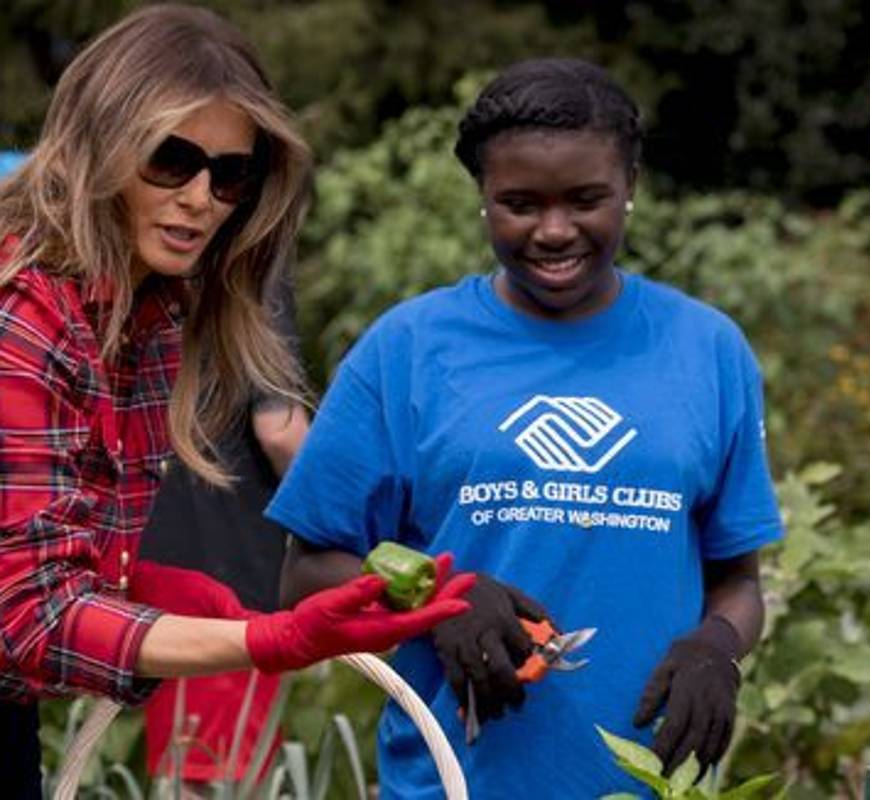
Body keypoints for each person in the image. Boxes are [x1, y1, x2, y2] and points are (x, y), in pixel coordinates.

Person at [268, 57, 784, 799]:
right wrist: (440, 598)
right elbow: (307, 571)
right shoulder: (408, 348)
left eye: (586, 200)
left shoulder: (706, 350)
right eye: (519, 203)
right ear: (482, 197)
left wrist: (718, 646)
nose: (553, 230)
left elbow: (736, 580)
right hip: (451, 781)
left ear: (630, 189)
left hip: (646, 785)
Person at [0, 5, 472, 795]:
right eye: (169, 160)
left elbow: (52, 561)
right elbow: (28, 619)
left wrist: (178, 596)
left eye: (229, 174)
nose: (200, 198)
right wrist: (268, 638)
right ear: (97, 145)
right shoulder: (25, 316)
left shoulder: (151, 314)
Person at [137, 264, 310, 784]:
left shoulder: (150, 261)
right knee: (220, 774)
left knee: (188, 762)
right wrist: (351, 518)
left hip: (160, 551)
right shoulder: (251, 268)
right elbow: (280, 430)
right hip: (229, 561)